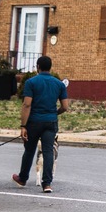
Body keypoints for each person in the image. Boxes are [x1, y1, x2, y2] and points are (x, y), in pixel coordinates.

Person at [14, 55, 68, 193]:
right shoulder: (59, 84)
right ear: (50, 67)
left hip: (34, 122)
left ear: (38, 67)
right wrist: (54, 113)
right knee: (48, 151)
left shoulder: (31, 82)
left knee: (30, 150)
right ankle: (47, 184)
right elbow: (65, 107)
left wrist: (23, 126)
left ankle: (23, 178)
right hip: (50, 122)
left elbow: (27, 104)